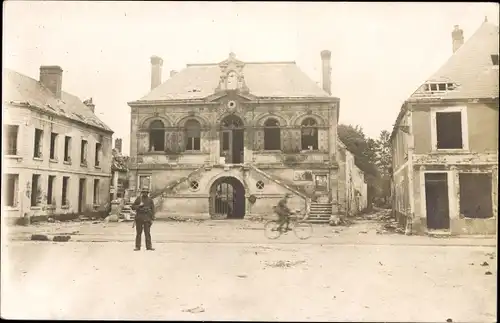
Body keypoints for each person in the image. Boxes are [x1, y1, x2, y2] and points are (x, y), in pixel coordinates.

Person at [132, 187, 156, 251]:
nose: (145, 193)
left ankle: (149, 247)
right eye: (143, 192)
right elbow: (133, 207)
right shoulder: (138, 199)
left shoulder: (150, 200)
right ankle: (137, 247)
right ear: (142, 193)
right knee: (138, 233)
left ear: (148, 193)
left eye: (146, 192)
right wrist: (139, 206)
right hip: (139, 218)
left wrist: (152, 218)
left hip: (147, 218)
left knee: (147, 233)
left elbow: (153, 209)